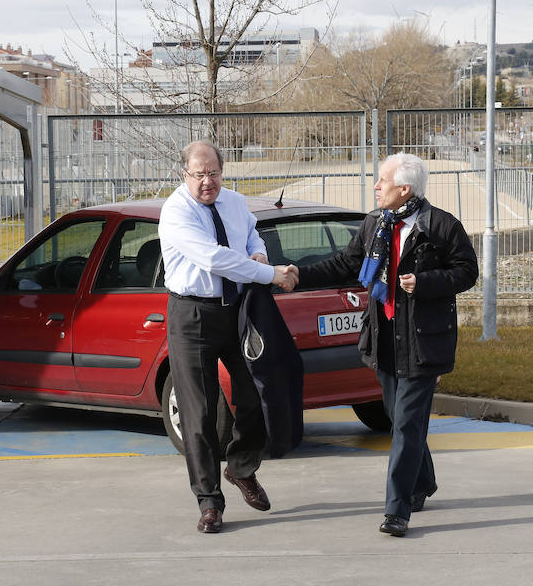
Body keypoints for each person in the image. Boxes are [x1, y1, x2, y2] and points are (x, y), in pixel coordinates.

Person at [296, 152, 478, 537]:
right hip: (384, 339)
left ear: (404, 188)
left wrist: (425, 282)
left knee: (406, 426)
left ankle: (397, 510)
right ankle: (422, 482)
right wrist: (298, 275)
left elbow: (467, 272)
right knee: (400, 420)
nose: (376, 187)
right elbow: (345, 265)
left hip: (423, 343)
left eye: (383, 181)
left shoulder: (441, 226)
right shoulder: (375, 224)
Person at [158, 140, 298, 534]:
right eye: (199, 174)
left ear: (223, 171)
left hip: (236, 311)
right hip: (192, 314)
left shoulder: (234, 203)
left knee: (256, 392)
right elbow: (214, 257)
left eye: (214, 173)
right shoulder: (176, 211)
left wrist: (260, 255)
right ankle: (209, 501)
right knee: (199, 413)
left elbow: (252, 236)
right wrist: (270, 275)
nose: (207, 181)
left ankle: (241, 468)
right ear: (184, 174)